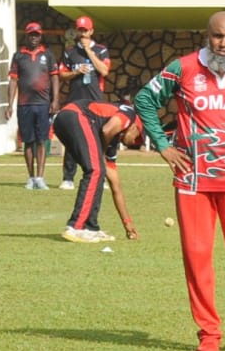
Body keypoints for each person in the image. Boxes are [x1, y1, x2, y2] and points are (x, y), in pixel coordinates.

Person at [134, 10, 225, 351]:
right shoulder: (182, 68)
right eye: (218, 36)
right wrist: (163, 145)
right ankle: (209, 335)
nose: (223, 44)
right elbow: (144, 99)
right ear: (207, 36)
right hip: (193, 180)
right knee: (198, 258)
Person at [53, 99, 145, 243]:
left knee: (98, 172)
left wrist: (127, 223)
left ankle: (91, 227)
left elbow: (116, 187)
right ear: (135, 127)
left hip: (64, 121)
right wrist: (101, 154)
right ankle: (76, 227)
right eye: (137, 138)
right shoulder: (130, 114)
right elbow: (107, 129)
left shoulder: (113, 142)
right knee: (95, 170)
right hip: (76, 116)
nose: (134, 143)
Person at [54, 15, 111, 190]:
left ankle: (101, 176)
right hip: (75, 100)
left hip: (95, 101)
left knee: (99, 139)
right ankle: (68, 178)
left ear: (92, 31)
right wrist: (76, 72)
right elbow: (61, 74)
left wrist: (89, 52)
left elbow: (104, 70)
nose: (83, 33)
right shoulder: (70, 52)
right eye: (80, 30)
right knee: (73, 138)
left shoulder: (101, 50)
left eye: (86, 30)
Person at [10, 22, 58, 191]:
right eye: (31, 35)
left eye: (37, 35)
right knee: (28, 141)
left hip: (43, 104)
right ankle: (31, 177)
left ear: (40, 36)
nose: (34, 38)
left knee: (42, 140)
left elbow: (54, 78)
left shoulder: (48, 55)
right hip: (24, 104)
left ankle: (40, 177)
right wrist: (10, 104)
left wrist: (55, 100)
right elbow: (14, 80)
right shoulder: (19, 56)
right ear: (27, 35)